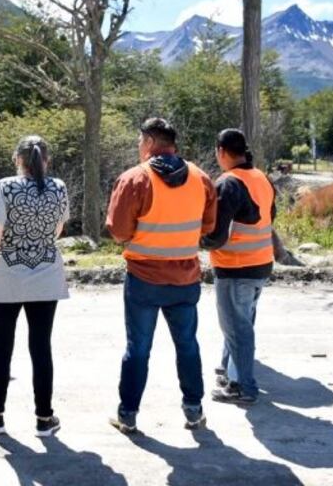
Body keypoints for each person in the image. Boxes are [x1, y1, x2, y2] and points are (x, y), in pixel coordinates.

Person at [106, 118, 217, 434]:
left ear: (150, 142)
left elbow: (118, 231)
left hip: (144, 278)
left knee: (138, 348)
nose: (139, 147)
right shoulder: (201, 178)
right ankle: (194, 411)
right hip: (185, 278)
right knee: (187, 344)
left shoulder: (135, 179)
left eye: (141, 141)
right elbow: (208, 226)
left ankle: (128, 415)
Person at [0, 135, 69, 438]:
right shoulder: (58, 187)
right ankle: (44, 417)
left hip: (7, 271)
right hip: (46, 272)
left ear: (18, 159)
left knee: (1, 345)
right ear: (46, 160)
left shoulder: (5, 186)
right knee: (41, 347)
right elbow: (57, 229)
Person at [200, 128, 277, 406]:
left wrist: (198, 239)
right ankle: (228, 372)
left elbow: (217, 235)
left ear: (221, 152)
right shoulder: (262, 178)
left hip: (236, 268)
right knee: (240, 322)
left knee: (237, 328)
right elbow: (269, 217)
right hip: (260, 265)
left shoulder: (228, 183)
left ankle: (243, 386)